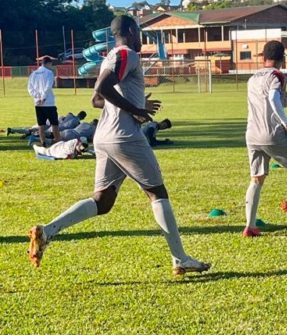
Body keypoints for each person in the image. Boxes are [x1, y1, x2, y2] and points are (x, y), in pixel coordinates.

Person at [27, 15, 210, 276]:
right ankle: (180, 258)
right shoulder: (127, 55)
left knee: (103, 201)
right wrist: (136, 110)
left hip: (104, 136)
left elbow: (96, 100)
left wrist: (136, 105)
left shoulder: (111, 56)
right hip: (124, 136)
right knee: (157, 192)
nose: (140, 39)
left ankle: (48, 230)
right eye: (139, 33)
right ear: (131, 31)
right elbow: (102, 88)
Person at [242, 40, 287, 237]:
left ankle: (250, 225)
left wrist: (284, 102)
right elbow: (272, 98)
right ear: (283, 59)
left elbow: (266, 104)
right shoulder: (277, 75)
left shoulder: (253, 78)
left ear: (263, 57)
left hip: (252, 134)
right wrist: (285, 122)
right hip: (271, 133)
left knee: (256, 179)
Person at [27, 56, 61, 146]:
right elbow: (48, 86)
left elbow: (30, 88)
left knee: (41, 124)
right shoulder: (49, 73)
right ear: (48, 63)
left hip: (38, 103)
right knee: (54, 123)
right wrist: (43, 97)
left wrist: (37, 97)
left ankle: (43, 141)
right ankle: (57, 140)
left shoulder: (33, 74)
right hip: (48, 102)